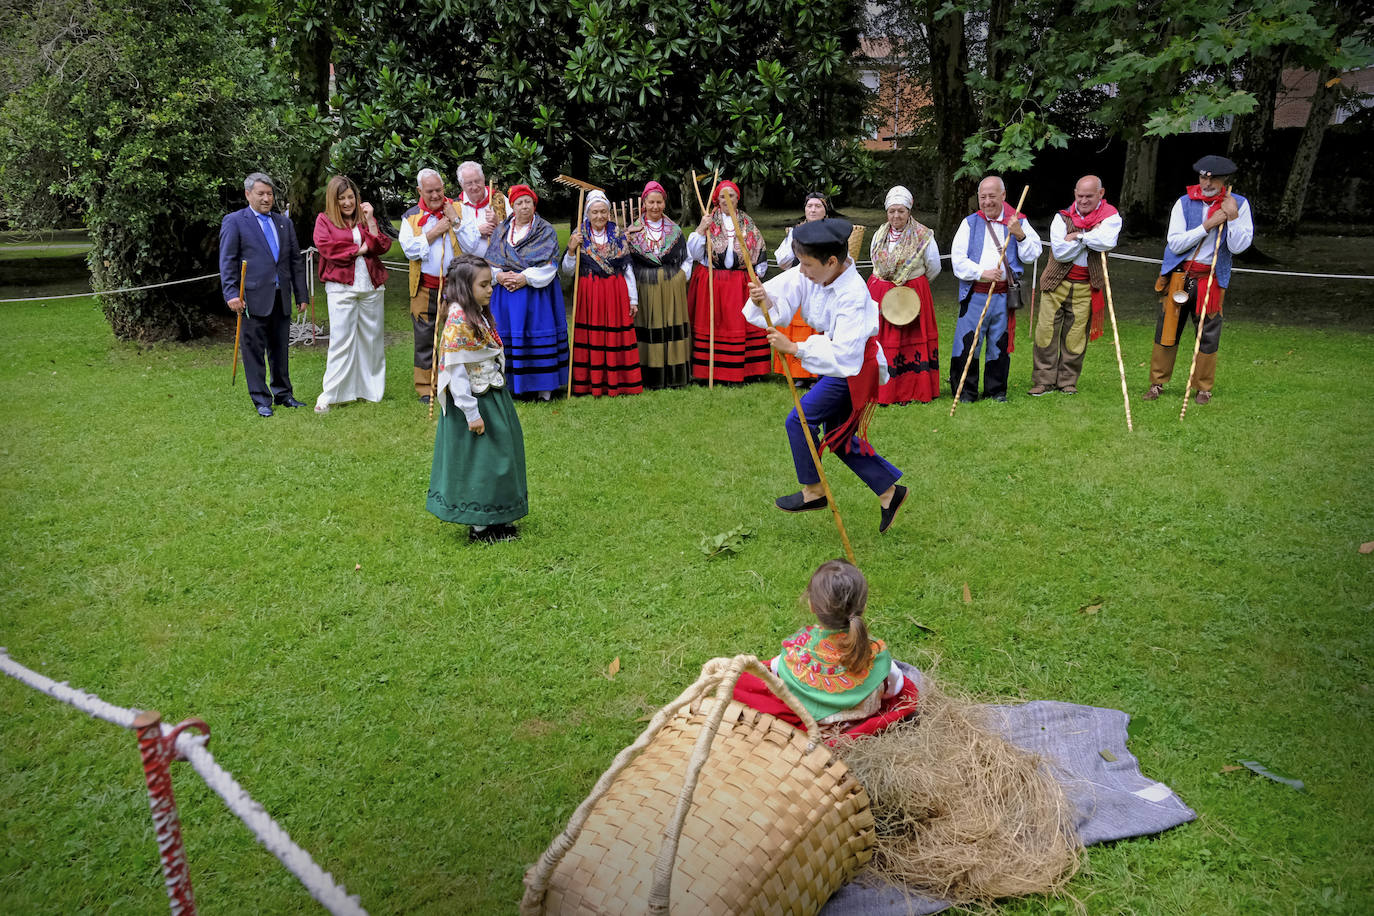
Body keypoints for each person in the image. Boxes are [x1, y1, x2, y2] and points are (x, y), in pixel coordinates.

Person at [745, 218, 908, 534]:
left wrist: (795, 347)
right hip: (840, 364)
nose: (801, 270)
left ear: (832, 261)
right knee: (839, 437)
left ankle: (813, 491)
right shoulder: (814, 269)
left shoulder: (853, 294)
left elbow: (846, 356)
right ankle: (890, 493)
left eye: (806, 264)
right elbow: (783, 297)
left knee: (800, 420)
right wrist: (763, 298)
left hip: (855, 368)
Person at [426, 255, 528, 542]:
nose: (490, 290)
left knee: (502, 455)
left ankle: (499, 514)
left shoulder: (478, 312)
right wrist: (471, 413)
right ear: (463, 287)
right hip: (474, 401)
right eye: (483, 285)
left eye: (490, 284)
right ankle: (481, 524)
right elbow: (456, 373)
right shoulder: (458, 319)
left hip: (493, 395)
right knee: (480, 461)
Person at [1144, 155, 1254, 405]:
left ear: (1224, 179)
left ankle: (1203, 388)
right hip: (1180, 276)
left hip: (1212, 279)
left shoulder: (1239, 204)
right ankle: (1157, 383)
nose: (1207, 182)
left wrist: (1233, 217)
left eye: (1213, 177)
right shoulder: (1184, 203)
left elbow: (1238, 248)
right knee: (1167, 329)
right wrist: (1208, 225)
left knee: (1208, 334)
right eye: (1203, 176)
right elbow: (1175, 242)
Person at [769, 559, 906, 725]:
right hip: (862, 723)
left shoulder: (795, 649)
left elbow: (776, 670)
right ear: (864, 607)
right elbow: (895, 687)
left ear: (812, 605)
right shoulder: (875, 653)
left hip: (813, 728)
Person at [219, 172, 310, 418]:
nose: (266, 198)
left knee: (280, 348)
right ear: (248, 194)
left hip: (281, 297)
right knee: (254, 350)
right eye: (261, 193)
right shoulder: (235, 221)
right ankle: (261, 399)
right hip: (251, 298)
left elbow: (294, 261)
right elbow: (227, 261)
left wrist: (302, 294)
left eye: (269, 194)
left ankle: (283, 393)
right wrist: (230, 293)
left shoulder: (284, 223)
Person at [949, 176, 1043, 403]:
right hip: (975, 294)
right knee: (968, 342)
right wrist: (982, 272)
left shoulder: (1018, 221)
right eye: (983, 197)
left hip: (1003, 296)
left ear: (1003, 196)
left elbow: (1033, 254)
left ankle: (996, 391)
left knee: (999, 344)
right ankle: (965, 392)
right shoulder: (969, 223)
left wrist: (1020, 234)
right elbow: (957, 261)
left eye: (992, 196)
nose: (987, 201)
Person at [1030, 175, 1122, 396]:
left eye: (1089, 196)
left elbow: (1108, 242)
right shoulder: (1061, 218)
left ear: (1101, 194)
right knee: (1045, 332)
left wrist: (1079, 237)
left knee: (1075, 336)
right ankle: (1043, 380)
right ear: (1074, 193)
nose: (1083, 200)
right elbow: (1060, 253)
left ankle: (1067, 381)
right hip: (1055, 283)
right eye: (1079, 195)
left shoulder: (1111, 217)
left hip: (1086, 286)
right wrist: (1092, 237)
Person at [312, 175, 391, 413]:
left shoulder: (364, 219)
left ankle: (372, 391)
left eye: (351, 197)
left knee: (372, 340)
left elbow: (382, 246)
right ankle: (332, 394)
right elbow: (327, 248)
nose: (347, 203)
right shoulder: (324, 220)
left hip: (370, 285)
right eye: (342, 199)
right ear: (332, 200)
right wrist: (361, 249)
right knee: (341, 340)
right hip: (341, 287)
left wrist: (371, 223)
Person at [485, 184, 568, 400]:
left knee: (536, 337)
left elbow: (550, 265)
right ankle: (509, 386)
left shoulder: (545, 230)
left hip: (536, 296)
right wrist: (499, 276)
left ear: (534, 204)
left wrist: (525, 278)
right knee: (507, 337)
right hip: (506, 296)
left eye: (527, 202)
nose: (524, 207)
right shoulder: (501, 231)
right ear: (512, 206)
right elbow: (491, 261)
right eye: (519, 203)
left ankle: (543, 388)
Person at [687, 180, 770, 383]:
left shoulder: (747, 222)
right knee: (714, 324)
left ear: (737, 198)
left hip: (740, 283)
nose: (727, 200)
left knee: (743, 323)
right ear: (717, 199)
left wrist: (756, 276)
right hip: (713, 281)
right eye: (722, 196)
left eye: (731, 195)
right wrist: (700, 229)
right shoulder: (709, 221)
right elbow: (694, 254)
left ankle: (750, 370)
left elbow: (759, 250)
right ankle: (708, 370)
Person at [562, 190, 643, 396]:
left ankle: (619, 381)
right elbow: (568, 271)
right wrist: (571, 250)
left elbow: (627, 269)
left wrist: (633, 299)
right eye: (595, 212)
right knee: (593, 336)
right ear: (587, 214)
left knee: (615, 336)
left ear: (609, 213)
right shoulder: (579, 235)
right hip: (590, 294)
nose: (599, 216)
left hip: (615, 293)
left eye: (603, 212)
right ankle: (591, 382)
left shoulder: (617, 234)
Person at [867, 185, 942, 405]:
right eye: (892, 211)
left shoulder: (923, 235)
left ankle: (909, 390)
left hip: (910, 296)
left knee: (908, 342)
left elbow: (933, 267)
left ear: (909, 211)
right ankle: (880, 389)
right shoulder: (879, 234)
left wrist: (913, 287)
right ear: (887, 212)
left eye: (901, 211)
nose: (896, 215)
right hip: (881, 296)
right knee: (881, 342)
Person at [400, 168, 467, 404]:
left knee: (458, 335)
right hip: (425, 287)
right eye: (430, 191)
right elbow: (410, 250)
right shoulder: (410, 217)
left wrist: (454, 219)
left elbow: (469, 243)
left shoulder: (458, 209)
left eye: (439, 189)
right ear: (420, 191)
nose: (436, 195)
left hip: (456, 286)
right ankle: (426, 388)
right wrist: (434, 232)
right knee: (425, 338)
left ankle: (458, 384)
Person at [626, 180, 692, 388]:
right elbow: (626, 262)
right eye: (651, 202)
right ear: (644, 203)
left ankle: (674, 376)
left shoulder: (675, 230)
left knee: (671, 328)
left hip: (672, 285)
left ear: (665, 203)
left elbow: (687, 258)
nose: (655, 207)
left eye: (659, 202)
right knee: (649, 327)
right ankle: (649, 376)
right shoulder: (632, 231)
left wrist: (681, 277)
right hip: (645, 286)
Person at [771, 192, 836, 387]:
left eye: (818, 206)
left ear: (825, 211)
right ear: (805, 210)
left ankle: (818, 371)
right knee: (799, 327)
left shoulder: (832, 231)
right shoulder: (796, 232)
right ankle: (799, 373)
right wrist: (796, 246)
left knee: (819, 327)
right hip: (803, 281)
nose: (813, 210)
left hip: (824, 283)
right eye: (810, 206)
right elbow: (782, 260)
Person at [454, 161, 505, 258]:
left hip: (499, 264)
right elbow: (456, 238)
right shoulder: (456, 207)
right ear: (461, 184)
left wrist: (498, 222)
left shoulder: (500, 200)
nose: (475, 187)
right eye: (469, 183)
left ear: (483, 178)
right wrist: (478, 231)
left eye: (477, 181)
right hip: (469, 267)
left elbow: (516, 230)